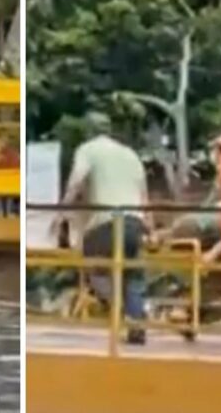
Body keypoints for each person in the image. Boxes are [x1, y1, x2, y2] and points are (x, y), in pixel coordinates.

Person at [57, 111, 154, 345]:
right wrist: (150, 230)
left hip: (107, 222)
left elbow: (76, 181)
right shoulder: (130, 154)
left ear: (89, 130)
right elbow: (144, 198)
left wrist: (61, 211)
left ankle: (118, 309)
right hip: (135, 223)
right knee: (133, 274)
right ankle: (137, 320)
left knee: (93, 264)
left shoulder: (88, 149)